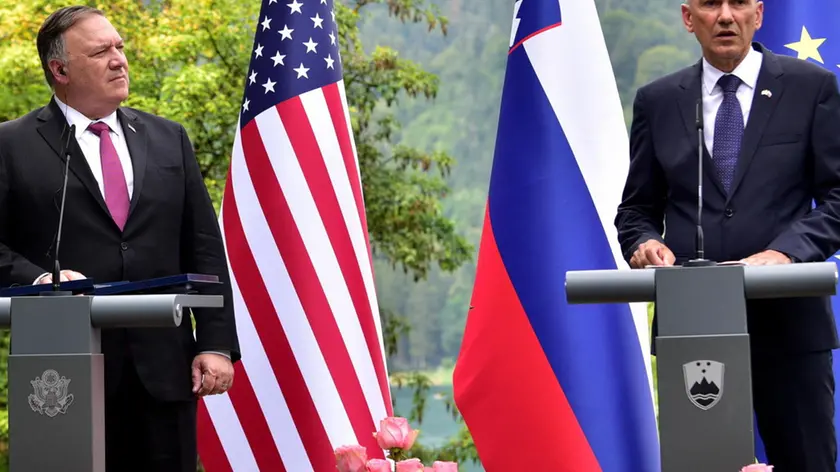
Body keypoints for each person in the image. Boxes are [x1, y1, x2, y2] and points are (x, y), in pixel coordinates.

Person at [0, 5, 240, 471]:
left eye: (119, 47)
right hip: (62, 377)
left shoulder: (169, 138)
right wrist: (37, 279)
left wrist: (215, 342)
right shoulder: (12, 145)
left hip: (166, 373)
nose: (119, 60)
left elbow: (204, 245)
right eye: (101, 51)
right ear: (60, 69)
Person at [615, 0, 840, 470]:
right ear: (687, 17)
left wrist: (785, 253)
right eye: (710, 3)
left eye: (738, 3)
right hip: (694, 331)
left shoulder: (810, 87)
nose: (725, 15)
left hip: (790, 326)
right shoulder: (659, 101)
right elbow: (636, 208)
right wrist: (642, 245)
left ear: (758, 14)